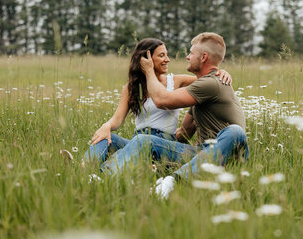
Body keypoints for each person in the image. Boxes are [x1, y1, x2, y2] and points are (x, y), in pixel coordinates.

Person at [101, 32, 248, 198]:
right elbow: (183, 134)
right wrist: (149, 146)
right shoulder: (200, 90)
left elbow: (162, 100)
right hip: (199, 154)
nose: (187, 56)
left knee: (235, 131)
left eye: (191, 53)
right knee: (141, 140)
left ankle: (173, 182)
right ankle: (103, 178)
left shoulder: (212, 83)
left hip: (226, 154)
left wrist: (149, 71)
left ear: (204, 57)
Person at [84, 38, 232, 165]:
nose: (167, 59)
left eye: (167, 55)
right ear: (146, 59)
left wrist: (221, 72)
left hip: (165, 140)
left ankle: (107, 170)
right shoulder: (131, 88)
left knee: (139, 144)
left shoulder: (175, 81)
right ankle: (85, 167)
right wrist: (106, 126)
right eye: (162, 55)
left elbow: (207, 81)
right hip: (138, 139)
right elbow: (117, 119)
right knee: (106, 139)